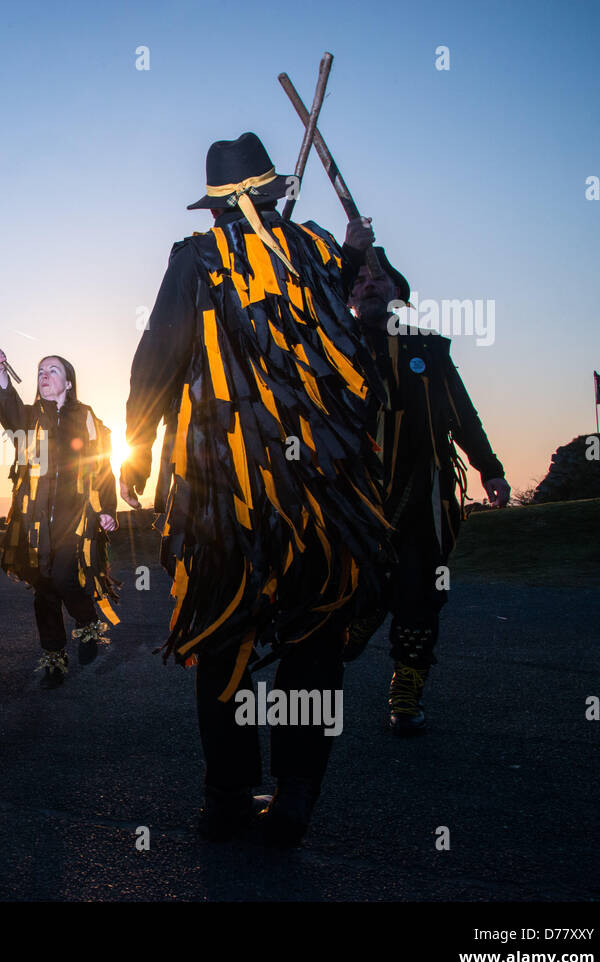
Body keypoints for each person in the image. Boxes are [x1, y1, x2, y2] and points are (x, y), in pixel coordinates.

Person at [121, 132, 390, 846]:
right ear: (270, 195)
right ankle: (296, 792)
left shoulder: (195, 259)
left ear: (216, 206)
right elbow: (379, 305)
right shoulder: (318, 247)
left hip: (223, 492)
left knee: (223, 635)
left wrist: (137, 445)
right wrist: (361, 251)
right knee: (313, 635)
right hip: (321, 489)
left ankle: (229, 798)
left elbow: (160, 351)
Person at [342, 248, 509, 734]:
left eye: (379, 279)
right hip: (355, 495)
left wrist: (490, 468)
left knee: (420, 593)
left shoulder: (430, 348)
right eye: (359, 281)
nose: (370, 284)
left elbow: (461, 411)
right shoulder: (336, 343)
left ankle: (407, 686)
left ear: (397, 291)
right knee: (354, 584)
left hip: (423, 493)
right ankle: (364, 614)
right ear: (347, 297)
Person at [0, 345, 119, 687]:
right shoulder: (31, 417)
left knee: (62, 574)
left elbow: (103, 465)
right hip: (34, 518)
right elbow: (9, 412)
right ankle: (54, 658)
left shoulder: (86, 417)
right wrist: (1, 372)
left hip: (75, 515)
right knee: (43, 586)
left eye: (53, 370)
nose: (45, 376)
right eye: (40, 372)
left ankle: (88, 622)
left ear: (69, 383)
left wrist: (108, 509)